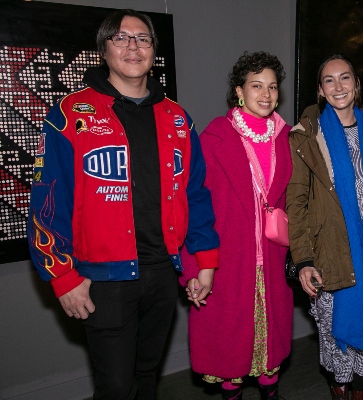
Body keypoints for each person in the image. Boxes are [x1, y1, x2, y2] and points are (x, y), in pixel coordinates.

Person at [27, 9, 220, 400]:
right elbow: (48, 201)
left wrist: (205, 262)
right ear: (104, 49)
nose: (133, 47)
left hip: (162, 273)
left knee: (147, 376)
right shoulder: (70, 114)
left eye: (142, 39)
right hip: (103, 280)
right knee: (116, 387)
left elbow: (195, 194)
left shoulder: (178, 118)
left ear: (153, 51)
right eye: (121, 38)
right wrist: (62, 276)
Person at [287, 54, 363, 400]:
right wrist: (303, 259)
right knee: (334, 343)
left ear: (357, 84)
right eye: (329, 80)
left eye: (345, 78)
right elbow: (297, 202)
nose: (338, 86)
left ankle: (360, 391)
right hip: (328, 254)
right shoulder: (308, 135)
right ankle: (340, 389)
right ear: (320, 91)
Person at [178, 51, 293, 400]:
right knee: (230, 351)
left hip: (272, 260)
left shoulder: (287, 138)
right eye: (256, 85)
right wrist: (193, 268)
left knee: (270, 349)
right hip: (227, 261)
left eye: (272, 86)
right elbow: (192, 207)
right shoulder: (215, 138)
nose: (266, 94)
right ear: (239, 92)